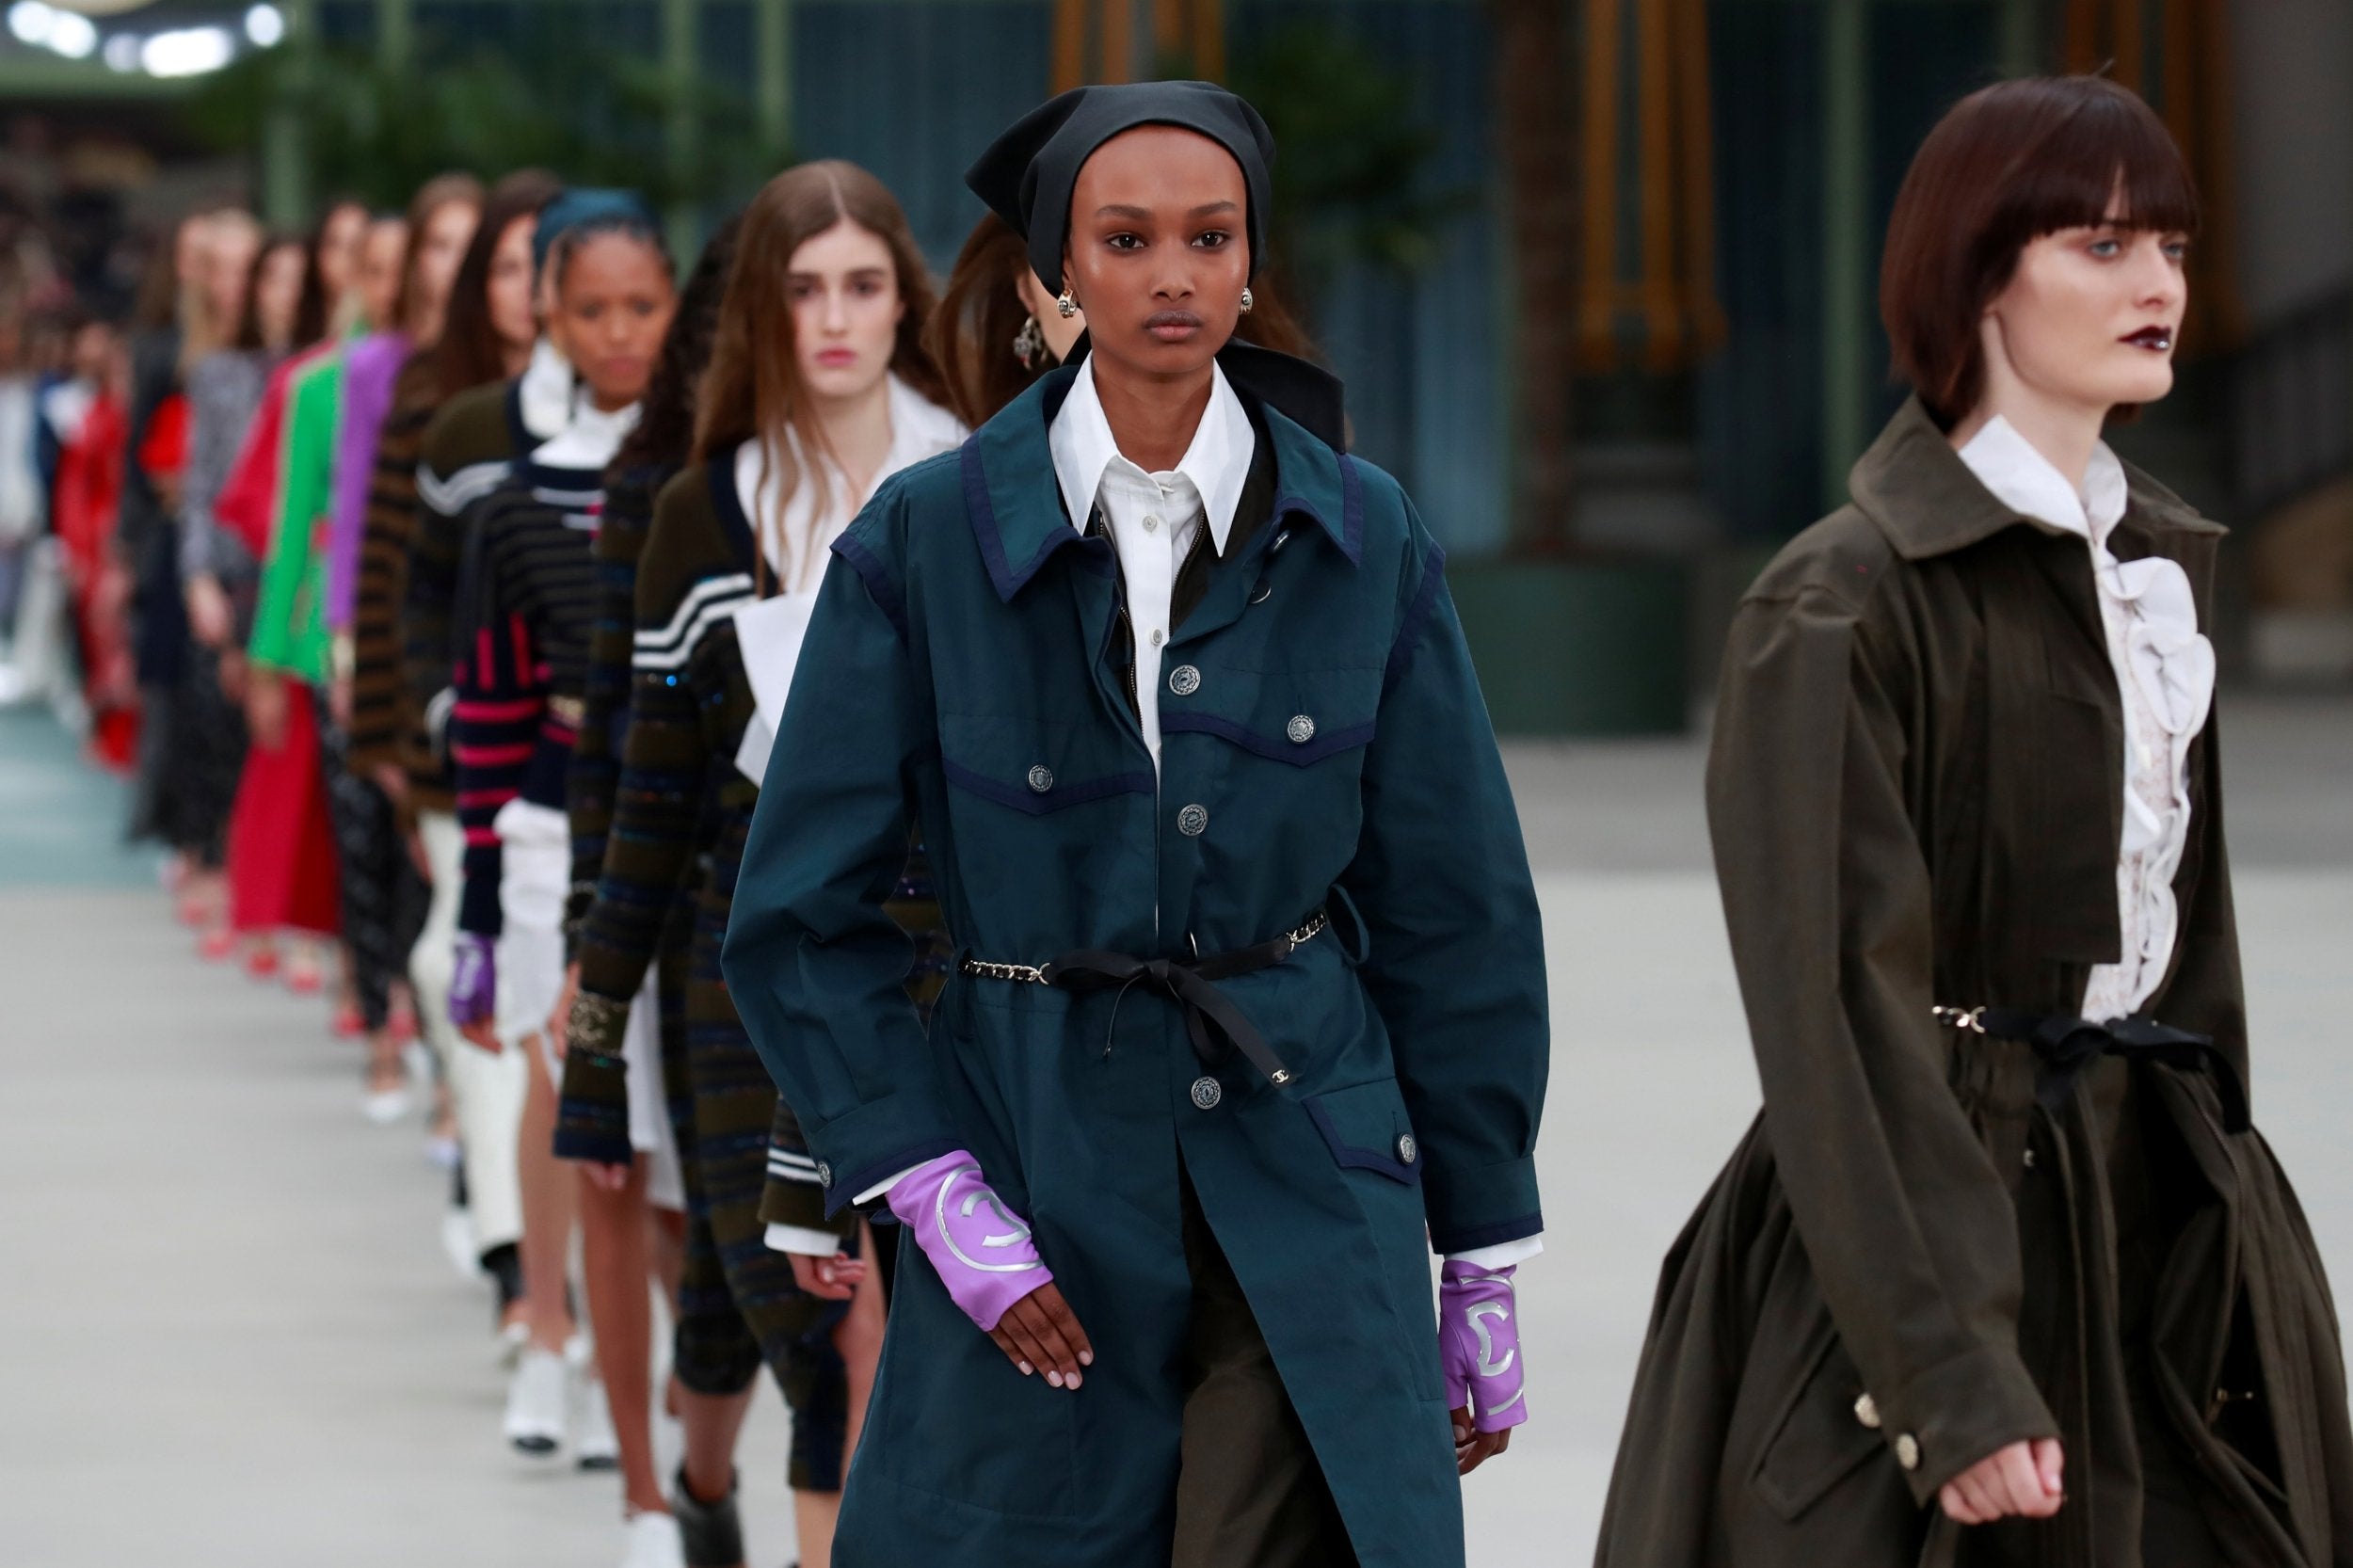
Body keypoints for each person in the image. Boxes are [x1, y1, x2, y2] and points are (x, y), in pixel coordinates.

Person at [721, 83, 1549, 1567]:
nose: (1173, 274)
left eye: (1209, 237)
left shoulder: (1364, 535)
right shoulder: (925, 543)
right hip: (1033, 1161)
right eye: (1126, 238)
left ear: (1250, 264)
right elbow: (798, 917)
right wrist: (928, 1183)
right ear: (1054, 278)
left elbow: (1457, 903)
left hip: (1309, 1145)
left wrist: (1481, 1246)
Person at [1593, 77, 2353, 1568]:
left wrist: (2238, 1245)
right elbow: (1834, 1013)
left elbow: (2185, 971)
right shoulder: (1834, 603)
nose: (2158, 286)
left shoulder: (2155, 571)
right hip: (1926, 1247)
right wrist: (1945, 1377)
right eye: (2101, 245)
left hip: (2165, 1232)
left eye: (2176, 249)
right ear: (1976, 277)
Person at [561, 162, 968, 1568]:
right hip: (747, 970)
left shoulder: (987, 475)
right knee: (816, 1318)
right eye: (805, 289)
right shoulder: (704, 511)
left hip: (952, 965)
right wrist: (595, 1029)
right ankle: (705, 1489)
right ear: (762, 310)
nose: (837, 317)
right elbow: (651, 796)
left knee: (909, 1328)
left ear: (902, 298)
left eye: (863, 284)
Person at [446, 192, 677, 1503]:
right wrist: (479, 905)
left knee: (666, 1108)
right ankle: (557, 1338)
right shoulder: (517, 501)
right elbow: (490, 707)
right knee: (572, 1078)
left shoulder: (713, 473)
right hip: (548, 829)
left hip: (681, 821)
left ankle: (636, 1374)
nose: (618, 331)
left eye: (641, 305)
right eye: (590, 307)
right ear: (547, 309)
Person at [551, 216, 761, 1568]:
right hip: (683, 905)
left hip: (882, 929)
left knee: (832, 1275)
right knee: (706, 1243)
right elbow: (616, 740)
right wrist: (591, 943)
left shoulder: (933, 467)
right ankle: (677, 1483)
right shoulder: (660, 492)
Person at [367, 168, 558, 1322]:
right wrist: (409, 735)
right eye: (504, 265)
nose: (527, 292)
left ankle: (552, 1244)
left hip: (589, 766)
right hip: (463, 757)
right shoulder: (434, 406)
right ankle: (508, 1245)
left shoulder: (648, 409)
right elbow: (397, 586)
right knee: (462, 962)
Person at [178, 226, 303, 965]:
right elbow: (200, 486)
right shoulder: (219, 372)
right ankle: (239, 883)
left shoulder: (325, 372)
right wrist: (197, 578)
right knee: (230, 729)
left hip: (300, 571)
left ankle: (289, 911)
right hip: (236, 569)